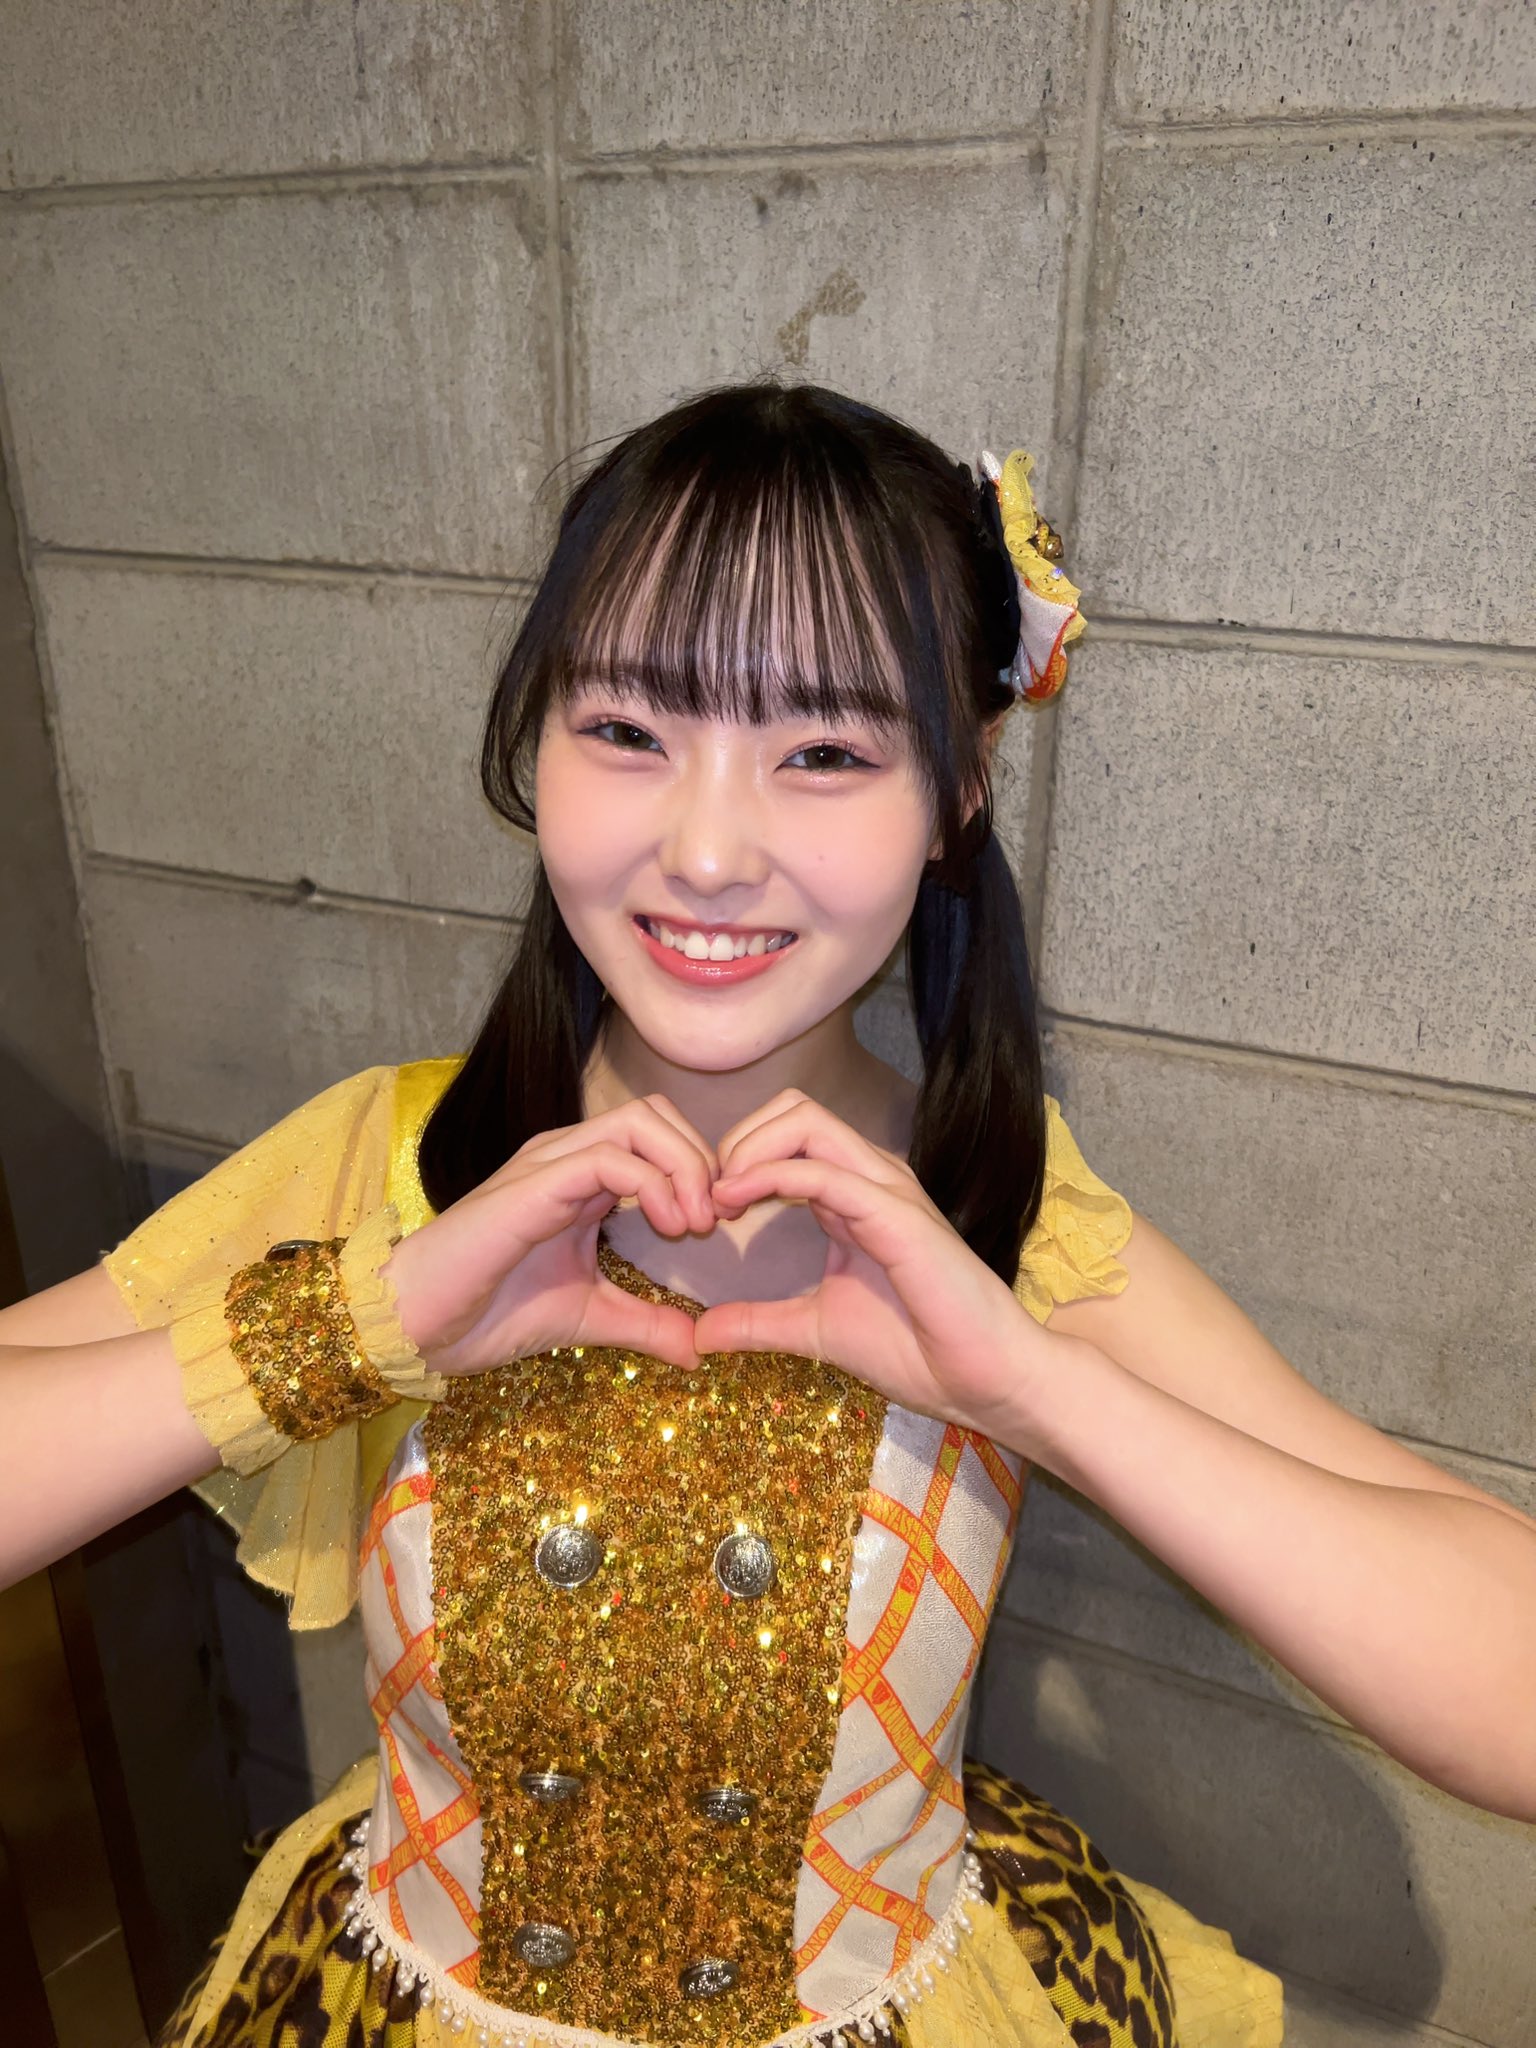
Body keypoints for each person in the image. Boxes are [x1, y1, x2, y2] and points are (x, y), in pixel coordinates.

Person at [4, 382, 1534, 2048]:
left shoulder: (1003, 1208)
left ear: (959, 790)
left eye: (824, 753)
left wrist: (1033, 1387)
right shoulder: (400, 1156)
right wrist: (366, 1319)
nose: (710, 850)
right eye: (626, 730)